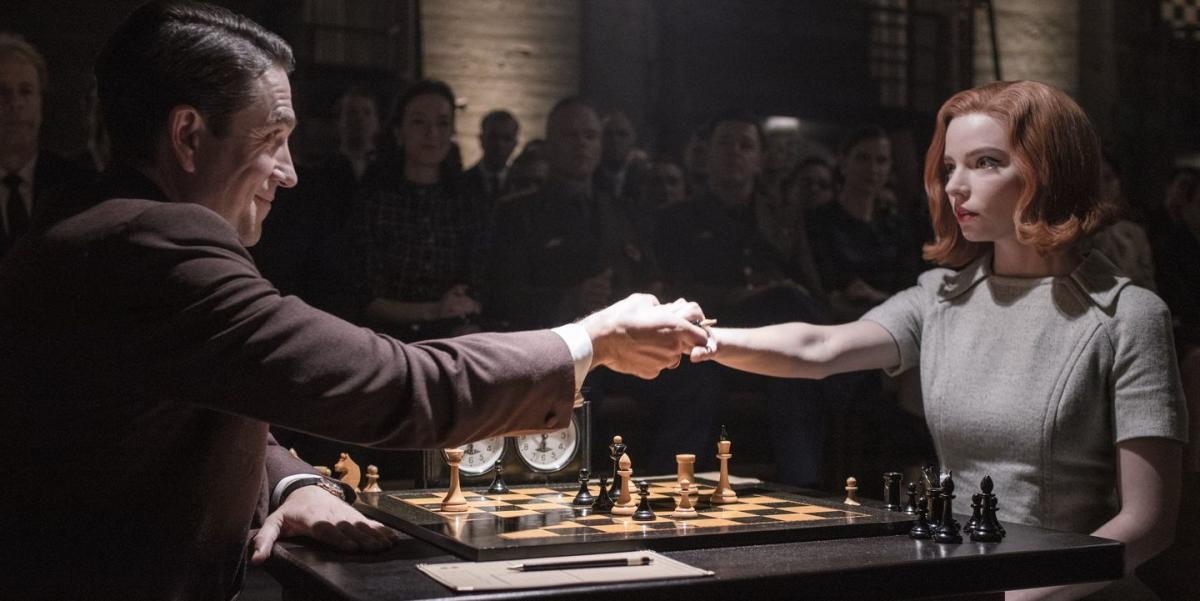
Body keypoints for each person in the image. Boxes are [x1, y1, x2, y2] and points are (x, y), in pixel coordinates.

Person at [0, 3, 708, 599]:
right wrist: (591, 340)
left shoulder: (92, 220)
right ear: (188, 135)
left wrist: (287, 482)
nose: (290, 172)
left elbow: (208, 390)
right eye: (273, 139)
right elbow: (396, 383)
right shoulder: (155, 244)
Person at [690, 81, 1186, 601]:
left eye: (986, 162)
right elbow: (819, 348)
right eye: (950, 167)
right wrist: (701, 339)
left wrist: (1019, 595)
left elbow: (1149, 524)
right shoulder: (941, 296)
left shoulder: (1129, 315)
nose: (955, 186)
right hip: (962, 578)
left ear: (1050, 171)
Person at [352, 79, 492, 341]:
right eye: (419, 122)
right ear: (398, 132)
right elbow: (367, 298)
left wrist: (462, 304)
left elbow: (479, 283)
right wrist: (433, 310)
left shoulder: (468, 203)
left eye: (442, 123)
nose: (433, 134)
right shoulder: (375, 201)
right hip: (385, 339)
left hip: (456, 336)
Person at [252, 84, 380, 321]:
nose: (359, 120)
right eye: (351, 113)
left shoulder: (386, 174)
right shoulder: (319, 175)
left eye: (366, 112)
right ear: (338, 121)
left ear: (377, 122)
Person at [806, 124, 922, 321]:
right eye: (863, 158)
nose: (873, 169)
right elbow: (826, 284)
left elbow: (910, 284)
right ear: (843, 163)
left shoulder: (895, 226)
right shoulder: (819, 221)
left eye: (881, 160)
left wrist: (880, 297)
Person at [0, 33, 90, 256]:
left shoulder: (77, 184)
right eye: (1, 92)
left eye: (26, 91)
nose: (15, 104)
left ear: (41, 103)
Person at [463, 109, 519, 200]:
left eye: (507, 138)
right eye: (493, 137)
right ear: (481, 139)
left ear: (515, 143)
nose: (500, 144)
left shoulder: (520, 184)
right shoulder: (459, 183)